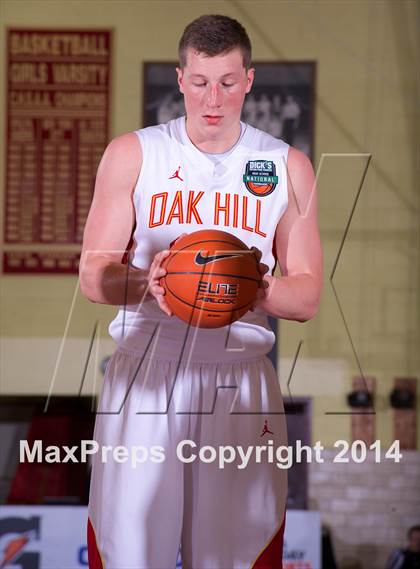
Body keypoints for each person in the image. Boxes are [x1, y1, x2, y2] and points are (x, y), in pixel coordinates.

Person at [80, 14, 322, 569]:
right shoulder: (133, 154)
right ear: (180, 78)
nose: (214, 98)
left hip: (238, 376)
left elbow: (306, 296)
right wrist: (152, 282)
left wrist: (254, 288)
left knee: (236, 557)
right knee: (129, 555)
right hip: (146, 370)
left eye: (229, 83)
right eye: (200, 81)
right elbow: (93, 273)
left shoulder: (286, 166)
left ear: (250, 81)